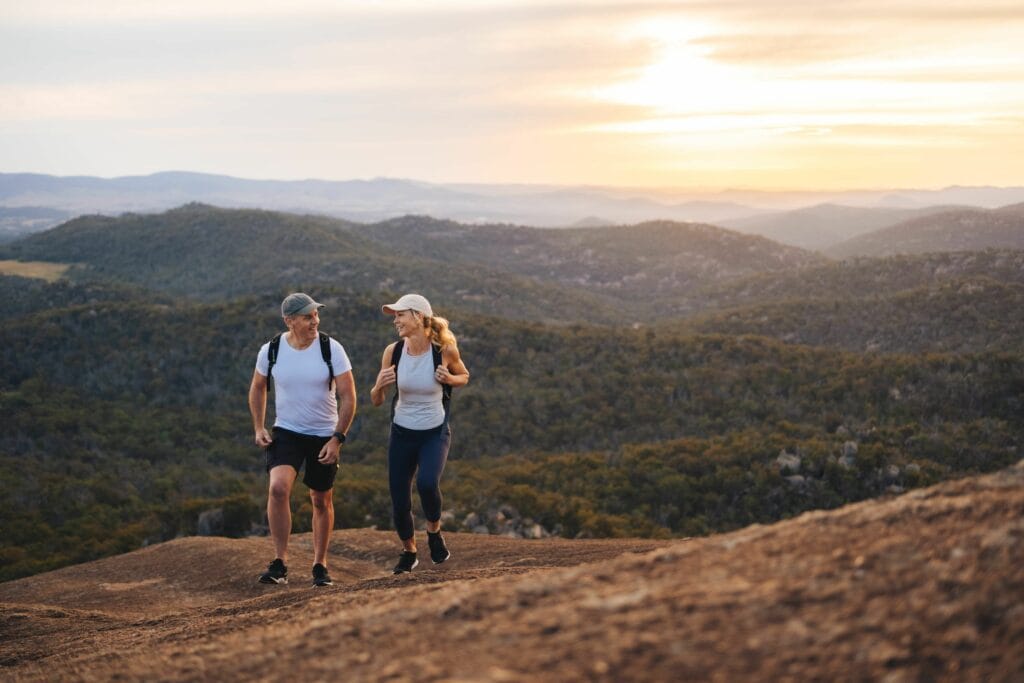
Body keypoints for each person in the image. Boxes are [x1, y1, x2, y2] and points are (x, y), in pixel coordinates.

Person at [249, 292, 356, 587]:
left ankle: (320, 565)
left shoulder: (330, 349)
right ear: (290, 321)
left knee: (320, 500)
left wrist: (337, 439)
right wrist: (259, 427)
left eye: (316, 315)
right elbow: (258, 387)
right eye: (308, 317)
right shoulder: (271, 350)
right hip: (287, 431)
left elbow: (349, 396)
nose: (315, 321)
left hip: (324, 434)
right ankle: (280, 562)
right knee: (278, 488)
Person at [370, 293, 470, 574]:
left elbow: (464, 375)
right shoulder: (393, 352)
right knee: (400, 498)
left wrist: (450, 379)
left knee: (427, 483)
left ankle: (434, 532)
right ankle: (409, 551)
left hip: (433, 433)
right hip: (402, 433)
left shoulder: (444, 350)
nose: (396, 321)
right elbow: (377, 400)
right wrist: (378, 386)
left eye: (400, 315)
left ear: (418, 317)